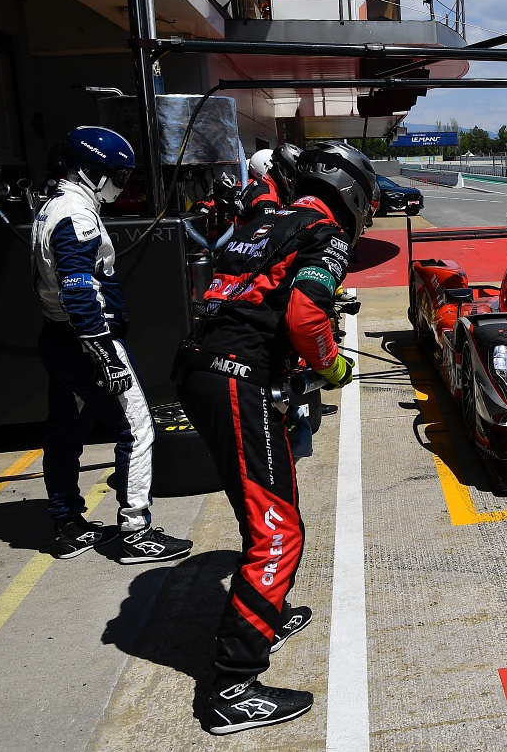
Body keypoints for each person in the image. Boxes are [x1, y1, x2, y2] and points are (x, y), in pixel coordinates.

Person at [174, 140, 377, 734]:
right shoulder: (325, 232)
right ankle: (232, 687)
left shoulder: (261, 218)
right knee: (278, 532)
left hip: (201, 367)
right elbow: (306, 318)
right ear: (352, 193)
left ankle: (267, 613)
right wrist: (331, 365)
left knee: (260, 505)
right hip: (237, 376)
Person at [32, 127, 195, 562]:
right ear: (91, 171)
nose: (123, 185)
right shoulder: (76, 214)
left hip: (58, 339)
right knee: (137, 430)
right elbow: (79, 289)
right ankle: (136, 533)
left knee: (65, 433)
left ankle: (67, 524)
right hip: (89, 342)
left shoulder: (53, 204)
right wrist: (104, 353)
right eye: (119, 176)